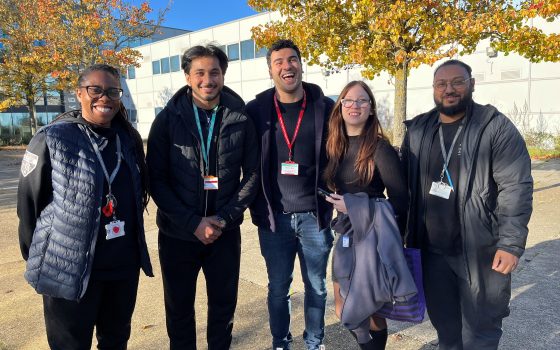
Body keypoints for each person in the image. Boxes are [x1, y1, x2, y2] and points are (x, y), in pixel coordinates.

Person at [17, 63, 153, 349]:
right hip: (68, 269)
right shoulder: (52, 138)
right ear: (79, 94)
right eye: (95, 89)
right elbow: (29, 207)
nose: (104, 97)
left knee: (115, 341)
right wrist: (42, 259)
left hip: (122, 269)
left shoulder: (126, 138)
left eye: (112, 91)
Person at [401, 59, 533, 350]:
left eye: (457, 82)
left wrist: (510, 244)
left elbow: (516, 187)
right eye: (441, 84)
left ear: (471, 84)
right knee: (446, 333)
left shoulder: (494, 127)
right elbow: (403, 186)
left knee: (481, 333)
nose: (449, 89)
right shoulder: (419, 130)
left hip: (480, 251)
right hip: (432, 253)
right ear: (434, 90)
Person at [146, 44, 259, 349]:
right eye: (200, 72)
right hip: (178, 235)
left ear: (223, 75)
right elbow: (156, 179)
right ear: (187, 76)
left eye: (214, 72)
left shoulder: (242, 118)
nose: (207, 79)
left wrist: (223, 218)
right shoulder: (167, 120)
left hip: (225, 233)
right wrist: (192, 222)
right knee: (179, 311)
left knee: (223, 310)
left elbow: (253, 174)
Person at [245, 39, 334, 350]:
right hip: (275, 219)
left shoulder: (325, 106)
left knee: (317, 288)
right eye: (279, 61)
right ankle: (280, 342)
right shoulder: (256, 110)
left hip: (315, 216)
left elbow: (343, 154)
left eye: (292, 59)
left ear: (301, 63)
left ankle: (313, 342)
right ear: (270, 70)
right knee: (278, 289)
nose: (287, 66)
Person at [323, 81, 408, 350]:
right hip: (346, 235)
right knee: (343, 308)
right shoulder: (334, 145)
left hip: (373, 238)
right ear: (340, 107)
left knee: (372, 311)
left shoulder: (379, 148)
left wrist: (355, 206)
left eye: (362, 101)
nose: (354, 106)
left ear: (371, 109)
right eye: (348, 100)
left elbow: (401, 202)